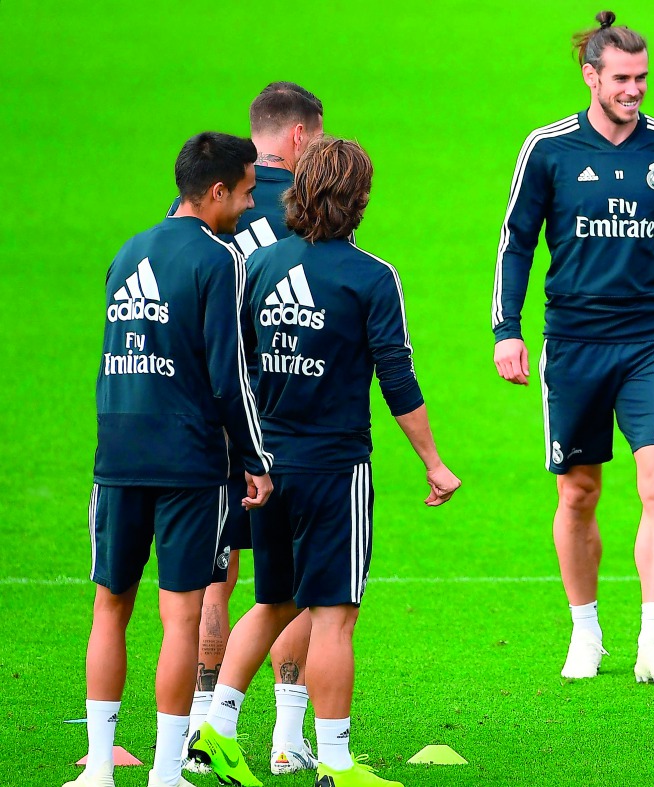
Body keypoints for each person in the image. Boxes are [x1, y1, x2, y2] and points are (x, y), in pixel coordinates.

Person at [189, 136, 460, 787]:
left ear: (297, 192)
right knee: (335, 614)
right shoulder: (371, 275)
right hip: (336, 469)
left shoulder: (256, 266)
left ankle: (216, 730)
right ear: (359, 197)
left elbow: (237, 367)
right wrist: (433, 460)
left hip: (267, 465)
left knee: (272, 599)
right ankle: (337, 762)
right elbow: (398, 378)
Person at [492, 10, 654, 683]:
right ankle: (586, 631)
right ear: (591, 76)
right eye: (621, 78)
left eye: (641, 77)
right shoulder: (549, 149)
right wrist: (506, 330)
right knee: (579, 491)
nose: (633, 89)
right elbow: (515, 241)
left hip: (651, 342)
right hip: (574, 342)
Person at [67, 132, 273, 787]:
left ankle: (99, 768)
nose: (246, 207)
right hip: (189, 460)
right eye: (243, 193)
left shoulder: (127, 251)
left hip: (118, 454)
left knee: (109, 607)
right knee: (180, 615)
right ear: (215, 191)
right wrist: (255, 458)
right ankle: (164, 772)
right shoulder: (219, 259)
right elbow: (228, 375)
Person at [170, 80, 325, 778]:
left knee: (217, 578)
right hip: (286, 421)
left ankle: (202, 730)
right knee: (290, 579)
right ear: (298, 136)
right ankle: (287, 739)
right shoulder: (310, 204)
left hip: (211, 426)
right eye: (316, 140)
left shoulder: (205, 203)